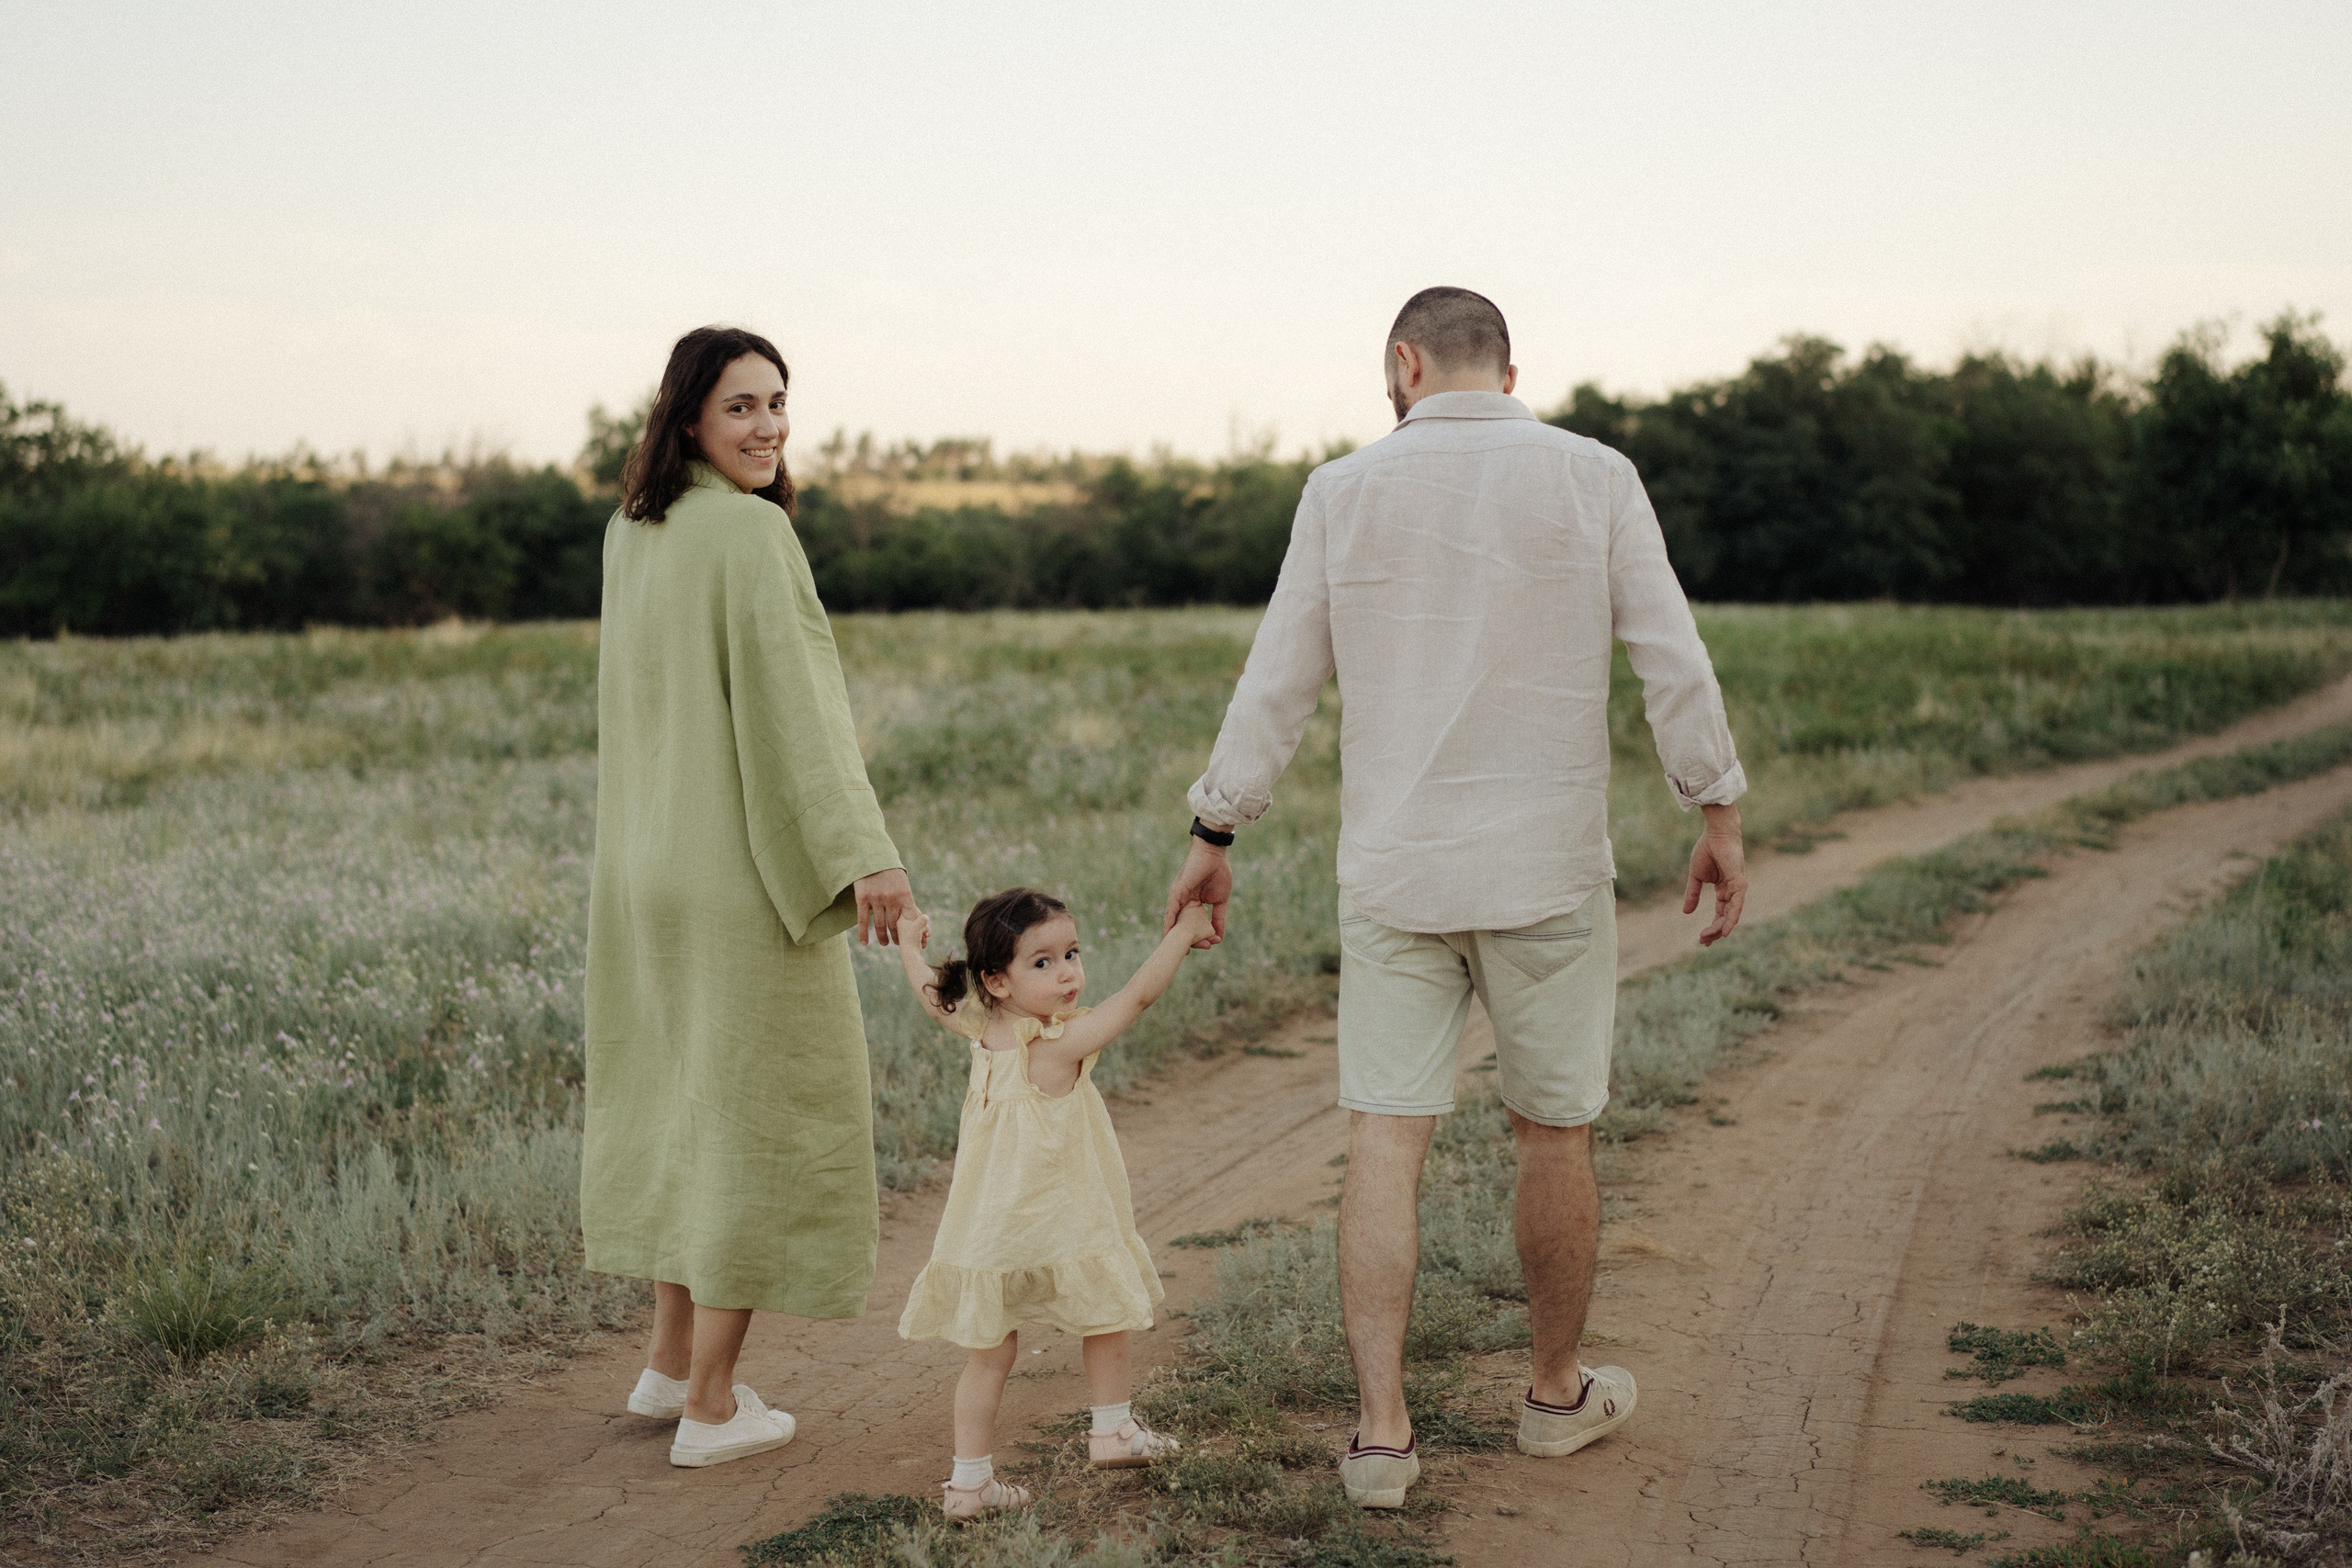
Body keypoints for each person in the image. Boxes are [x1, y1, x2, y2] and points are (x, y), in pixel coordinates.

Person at [1162, 288, 1748, 1509]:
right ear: (1511, 370)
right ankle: (1551, 1392)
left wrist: (1217, 823)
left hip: (1397, 873)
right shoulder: (1594, 475)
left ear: (1405, 363)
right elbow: (1670, 650)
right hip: (1545, 870)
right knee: (1554, 1126)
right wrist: (1717, 806)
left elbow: (1279, 675)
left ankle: (1381, 1435)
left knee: (1385, 1129)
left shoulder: (1343, 488)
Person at [582, 325, 920, 1470]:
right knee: (760, 1119)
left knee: (685, 1108)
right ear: (687, 420)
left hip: (643, 868)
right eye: (740, 408)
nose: (768, 426)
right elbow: (799, 713)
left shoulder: (635, 530)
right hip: (732, 879)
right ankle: (714, 1410)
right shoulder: (752, 535)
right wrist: (862, 853)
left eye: (778, 403)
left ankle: (668, 1362)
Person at [892, 887, 1211, 1521]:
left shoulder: (982, 1030)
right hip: (1063, 1223)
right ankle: (1114, 1428)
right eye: (1042, 962)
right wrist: (1182, 933)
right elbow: (1138, 996)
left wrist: (907, 942)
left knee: (991, 1351)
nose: (1067, 971)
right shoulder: (1058, 1047)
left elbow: (934, 994)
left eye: (1071, 952)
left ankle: (968, 1482)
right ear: (997, 980)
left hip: (990, 1232)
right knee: (1104, 1312)